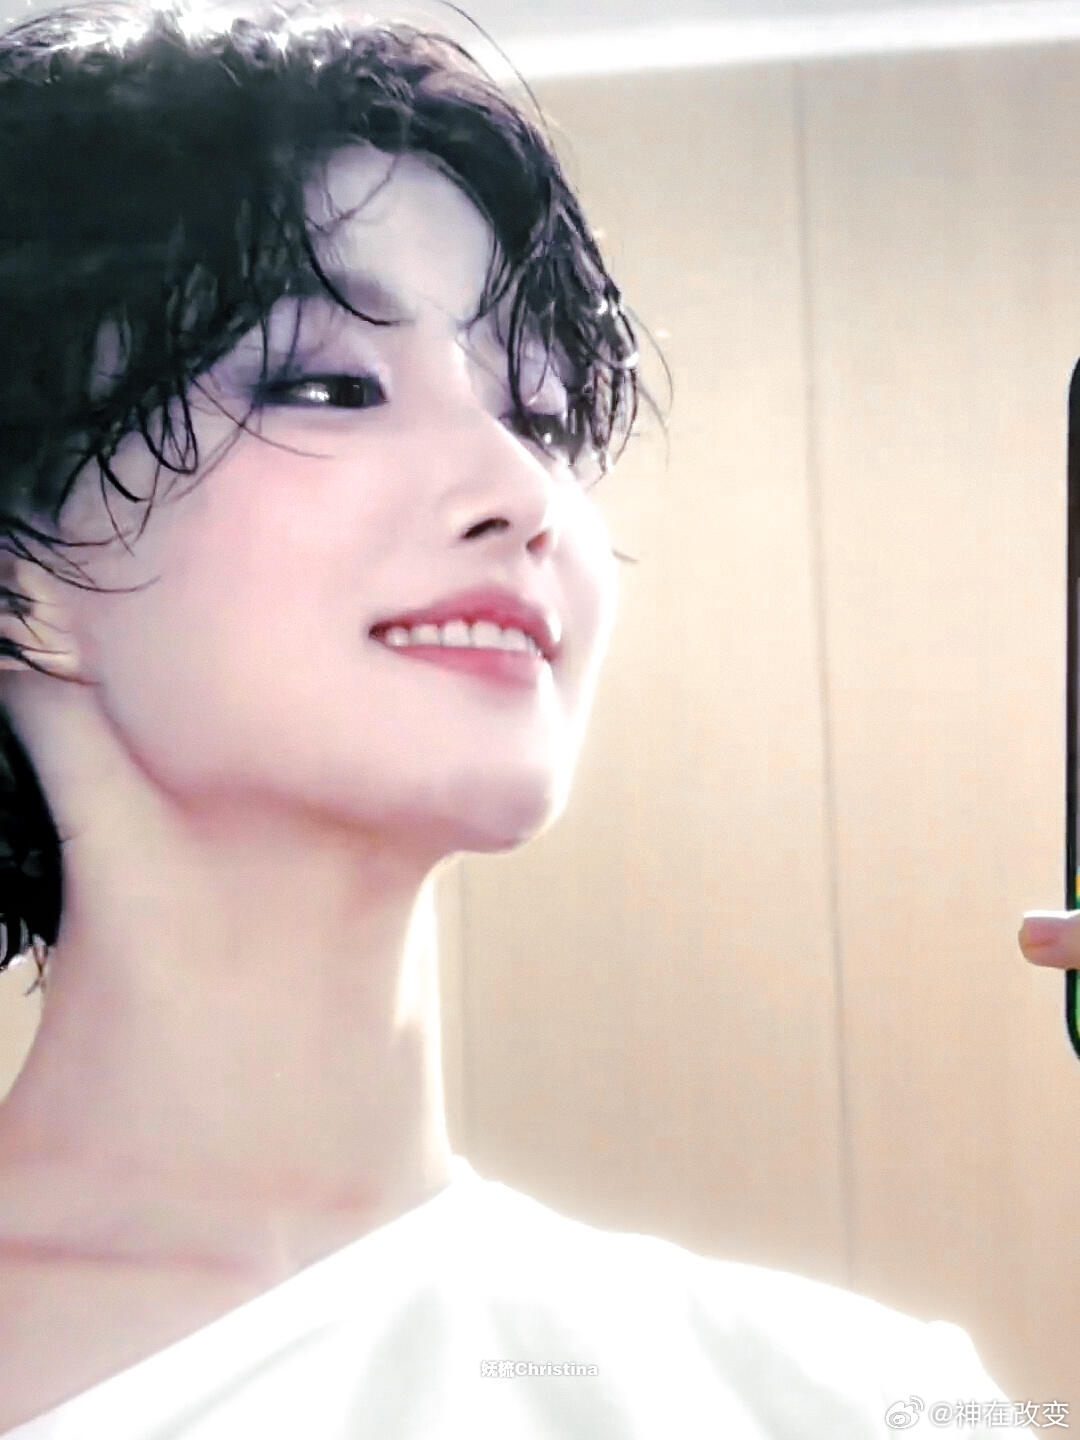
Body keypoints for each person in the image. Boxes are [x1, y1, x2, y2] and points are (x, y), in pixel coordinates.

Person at [0, 0, 1039, 1433]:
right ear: (22, 574)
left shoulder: (849, 1402)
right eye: (329, 385)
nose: (518, 489)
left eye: (536, 415)